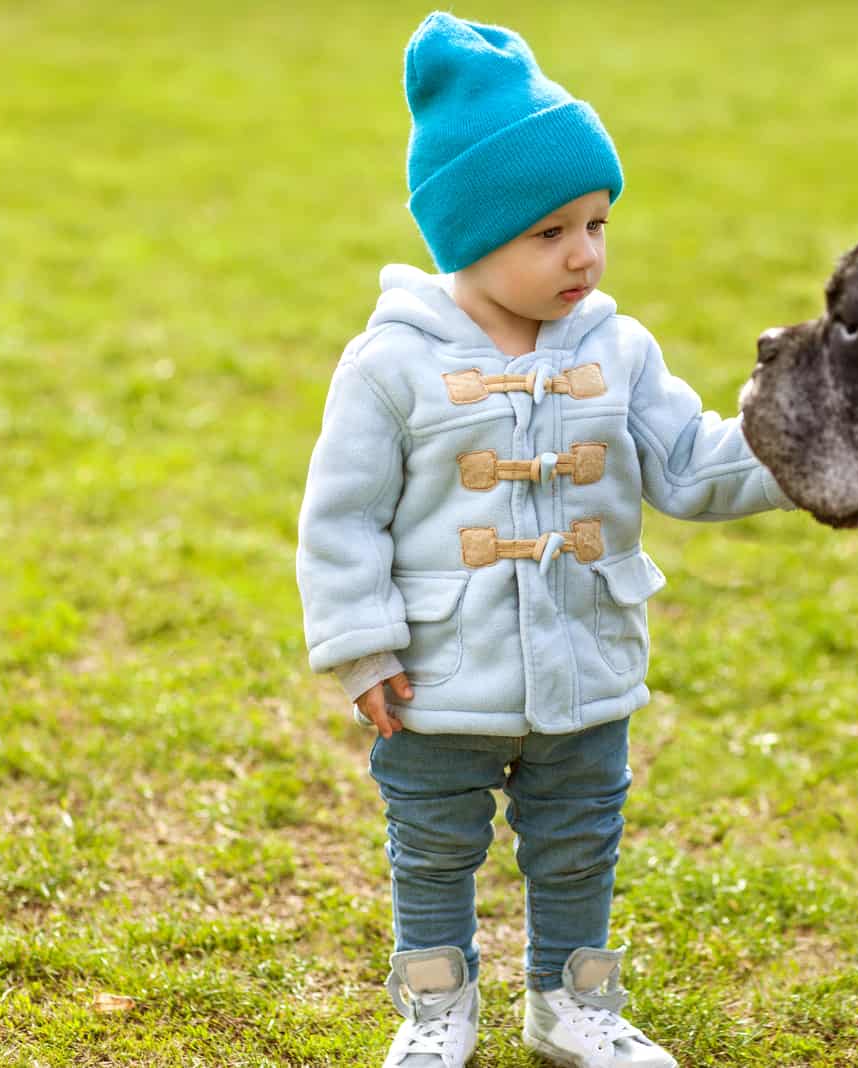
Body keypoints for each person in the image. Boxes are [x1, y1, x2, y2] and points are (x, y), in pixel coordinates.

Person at [296, 13, 794, 1067]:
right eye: (550, 231)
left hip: (584, 663)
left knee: (579, 851)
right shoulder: (392, 365)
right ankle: (435, 1008)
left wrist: (807, 447)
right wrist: (360, 648)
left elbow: (695, 465)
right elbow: (341, 517)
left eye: (597, 222)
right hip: (436, 679)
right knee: (431, 853)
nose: (585, 254)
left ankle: (574, 1006)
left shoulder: (616, 348)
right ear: (471, 233)